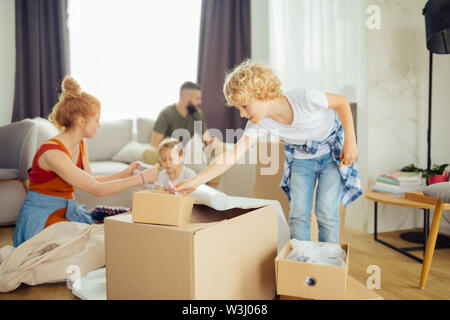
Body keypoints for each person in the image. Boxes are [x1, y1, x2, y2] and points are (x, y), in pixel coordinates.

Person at [175, 60, 362, 243]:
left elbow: (342, 102)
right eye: (238, 108)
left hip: (331, 153)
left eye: (245, 106)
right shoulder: (259, 122)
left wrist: (351, 142)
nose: (241, 114)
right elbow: (232, 155)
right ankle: (300, 262)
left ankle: (329, 265)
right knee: (298, 215)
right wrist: (195, 182)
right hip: (301, 157)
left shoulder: (305, 98)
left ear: (263, 94)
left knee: (326, 212)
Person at [13, 76, 159, 247]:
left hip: (67, 211)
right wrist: (141, 179)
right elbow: (97, 190)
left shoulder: (82, 143)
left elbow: (90, 180)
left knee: (119, 225)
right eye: (96, 120)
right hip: (42, 216)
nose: (99, 125)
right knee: (97, 241)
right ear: (81, 121)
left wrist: (123, 174)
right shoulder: (53, 153)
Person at [142, 81, 222, 188]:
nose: (200, 102)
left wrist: (213, 141)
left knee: (220, 148)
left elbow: (206, 139)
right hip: (168, 154)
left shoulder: (197, 114)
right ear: (186, 97)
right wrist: (168, 159)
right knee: (149, 152)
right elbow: (155, 143)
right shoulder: (167, 113)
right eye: (197, 98)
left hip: (186, 153)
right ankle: (166, 183)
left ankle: (210, 191)